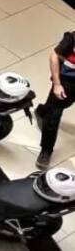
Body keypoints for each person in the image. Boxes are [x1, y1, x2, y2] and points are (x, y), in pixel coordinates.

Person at [34, 30, 75, 169]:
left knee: (61, 104)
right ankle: (46, 150)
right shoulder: (72, 38)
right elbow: (54, 55)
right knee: (54, 114)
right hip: (68, 81)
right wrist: (57, 84)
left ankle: (42, 111)